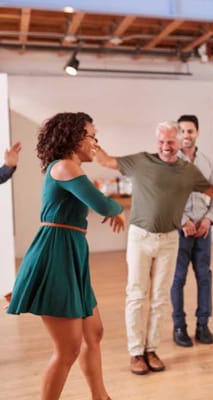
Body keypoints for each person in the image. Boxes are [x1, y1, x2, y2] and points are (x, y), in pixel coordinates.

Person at [94, 121, 213, 375]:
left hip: (169, 240)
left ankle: (151, 349)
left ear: (179, 141)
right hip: (140, 237)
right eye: (161, 141)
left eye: (170, 142)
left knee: (160, 298)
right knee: (137, 295)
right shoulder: (141, 162)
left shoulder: (188, 170)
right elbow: (105, 161)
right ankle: (136, 352)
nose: (165, 146)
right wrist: (89, 141)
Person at [6, 112, 126, 400]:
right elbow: (102, 205)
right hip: (55, 253)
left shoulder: (68, 168)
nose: (95, 143)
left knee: (93, 332)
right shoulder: (64, 167)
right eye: (91, 135)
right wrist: (116, 209)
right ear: (73, 137)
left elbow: (99, 203)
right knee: (68, 349)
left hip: (71, 250)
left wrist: (112, 206)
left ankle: (101, 397)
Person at [170, 114, 213, 347]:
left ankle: (203, 325)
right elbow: (166, 197)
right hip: (180, 232)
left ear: (197, 133)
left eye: (190, 131)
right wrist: (183, 220)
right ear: (177, 134)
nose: (186, 135)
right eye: (182, 131)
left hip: (203, 231)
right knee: (178, 278)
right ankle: (179, 327)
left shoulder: (207, 163)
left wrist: (208, 220)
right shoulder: (169, 163)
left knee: (204, 277)